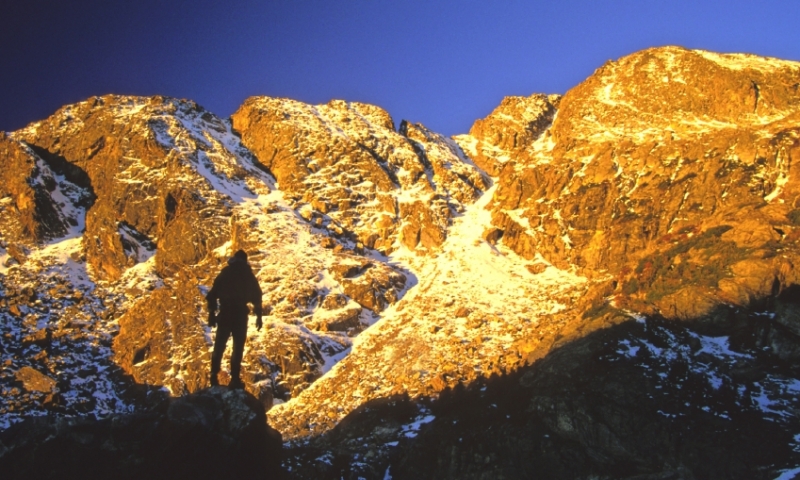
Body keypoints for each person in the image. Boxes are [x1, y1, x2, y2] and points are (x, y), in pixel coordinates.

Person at [206, 249, 263, 389]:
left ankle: (213, 375)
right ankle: (235, 379)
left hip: (225, 313)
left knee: (219, 345)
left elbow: (212, 294)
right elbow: (257, 297)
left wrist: (212, 314)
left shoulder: (226, 273)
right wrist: (259, 317)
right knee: (238, 348)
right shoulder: (248, 275)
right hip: (240, 315)